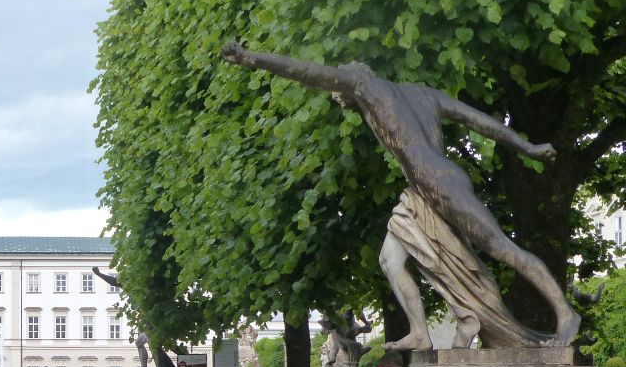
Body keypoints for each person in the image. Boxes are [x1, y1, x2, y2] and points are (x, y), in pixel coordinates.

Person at [221, 41, 579, 349]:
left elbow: (307, 72)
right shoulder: (422, 94)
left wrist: (251, 58)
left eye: (338, 89)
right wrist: (527, 147)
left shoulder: (362, 83)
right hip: (423, 191)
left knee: (501, 248)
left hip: (439, 186)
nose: (337, 96)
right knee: (390, 260)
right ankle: (420, 332)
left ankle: (565, 314)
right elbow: (479, 121)